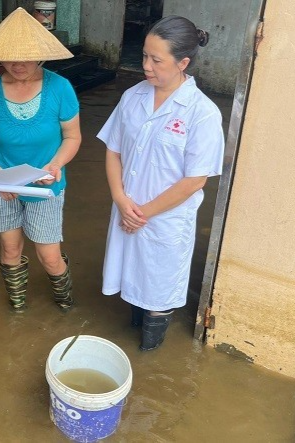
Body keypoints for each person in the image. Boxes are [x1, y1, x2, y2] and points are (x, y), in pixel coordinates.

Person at [97, 16, 224, 351]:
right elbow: (113, 150)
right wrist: (121, 200)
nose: (146, 67)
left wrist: (142, 213)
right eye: (144, 57)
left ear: (183, 63)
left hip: (164, 219)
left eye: (156, 60)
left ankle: (148, 355)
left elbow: (195, 180)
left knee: (158, 288)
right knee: (133, 279)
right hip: (127, 208)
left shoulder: (202, 113)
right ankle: (135, 336)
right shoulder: (132, 97)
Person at [0, 7, 82, 312]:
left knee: (49, 255)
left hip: (45, 184)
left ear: (40, 54)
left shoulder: (60, 88)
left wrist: (56, 165)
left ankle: (66, 303)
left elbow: (73, 137)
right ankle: (18, 307)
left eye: (26, 56)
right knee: (10, 249)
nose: (18, 64)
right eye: (10, 56)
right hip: (2, 185)